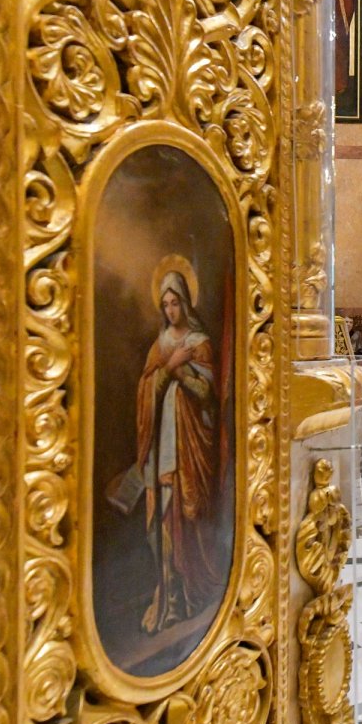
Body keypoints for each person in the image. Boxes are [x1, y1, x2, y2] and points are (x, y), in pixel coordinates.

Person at [133, 266, 222, 633]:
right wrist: (167, 368)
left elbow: (208, 395)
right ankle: (167, 593)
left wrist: (182, 371)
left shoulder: (199, 343)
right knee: (161, 521)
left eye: (175, 302)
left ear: (185, 302)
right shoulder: (160, 346)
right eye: (165, 304)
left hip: (188, 447)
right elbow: (146, 391)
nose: (171, 310)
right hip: (161, 448)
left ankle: (186, 592)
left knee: (184, 519)